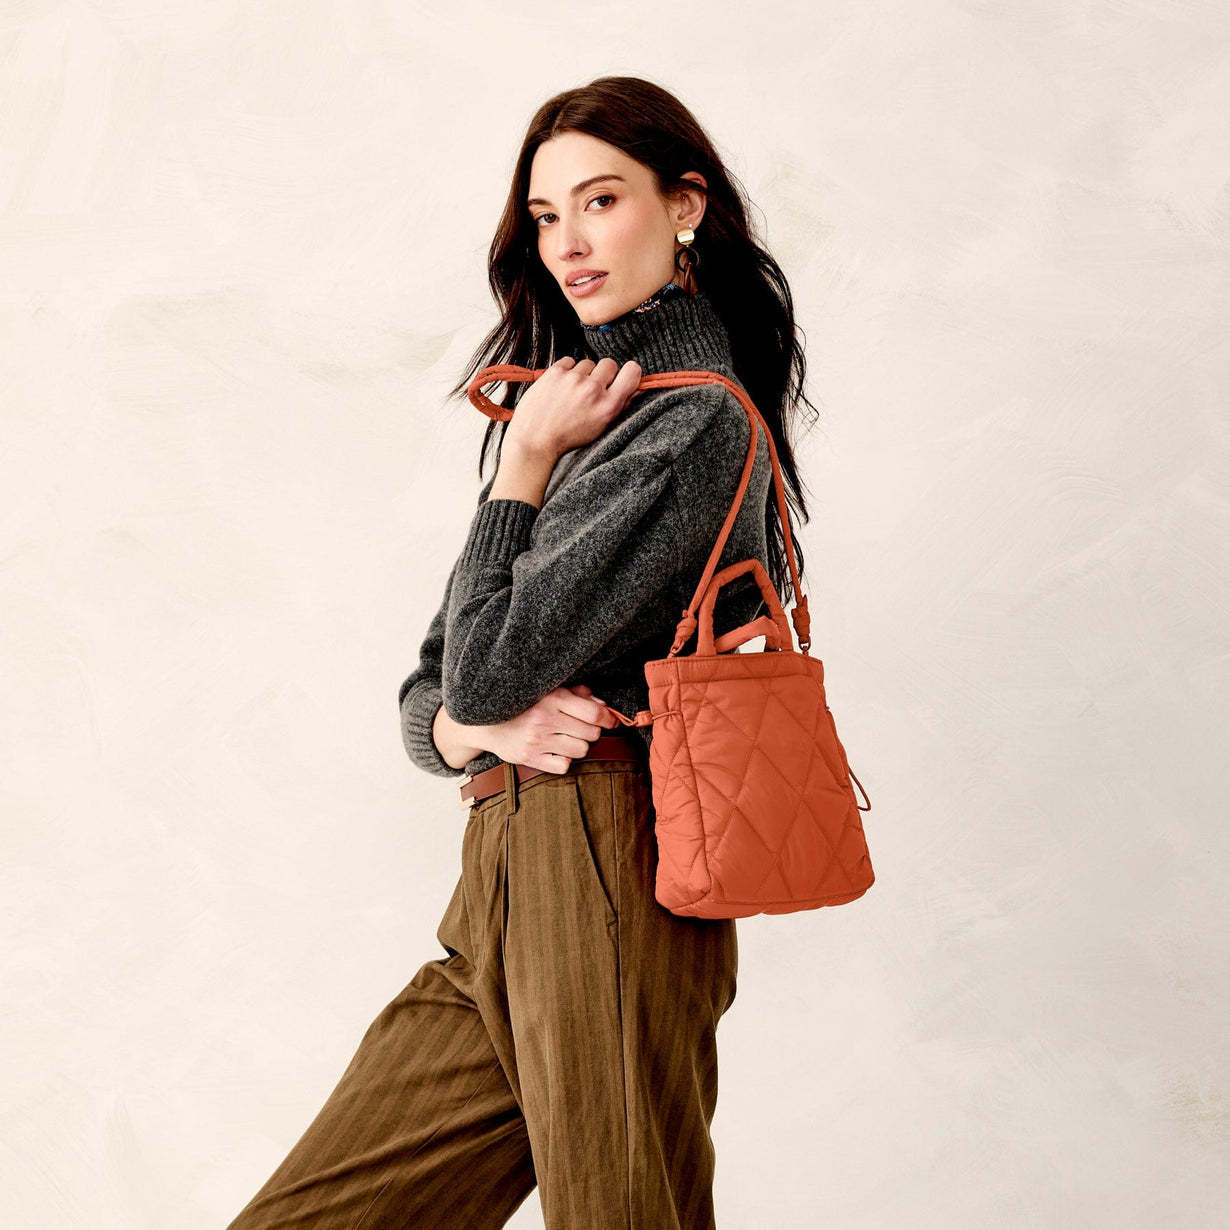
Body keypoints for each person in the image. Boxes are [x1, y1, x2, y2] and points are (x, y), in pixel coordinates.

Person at [227, 75, 817, 1230]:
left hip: (603, 856)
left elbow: (485, 667)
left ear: (684, 205)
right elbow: (440, 686)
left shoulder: (687, 422)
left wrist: (522, 473)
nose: (569, 243)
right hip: (501, 878)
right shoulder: (581, 414)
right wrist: (465, 729)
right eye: (547, 217)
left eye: (601, 200)